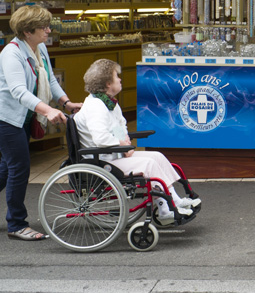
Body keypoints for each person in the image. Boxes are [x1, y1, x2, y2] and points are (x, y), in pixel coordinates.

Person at [74, 59, 199, 225]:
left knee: (157, 156)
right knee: (149, 165)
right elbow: (100, 138)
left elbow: (119, 124)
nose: (120, 79)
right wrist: (122, 144)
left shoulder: (109, 103)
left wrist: (124, 142)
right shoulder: (96, 106)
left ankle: (174, 200)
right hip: (101, 161)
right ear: (107, 83)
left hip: (112, 155)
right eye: (116, 76)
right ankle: (164, 211)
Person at [0, 5, 79, 241]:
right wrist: (47, 109)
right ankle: (17, 224)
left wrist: (66, 102)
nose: (49, 30)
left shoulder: (38, 47)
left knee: (8, 167)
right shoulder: (12, 54)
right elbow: (19, 91)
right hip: (5, 119)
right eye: (44, 27)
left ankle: (16, 221)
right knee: (19, 167)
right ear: (27, 31)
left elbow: (49, 79)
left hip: (24, 117)